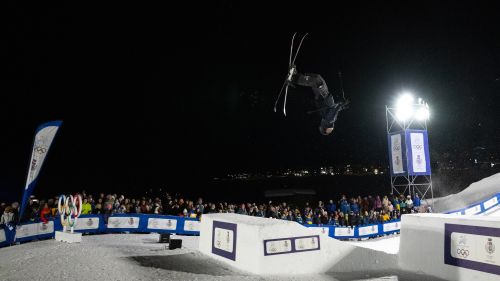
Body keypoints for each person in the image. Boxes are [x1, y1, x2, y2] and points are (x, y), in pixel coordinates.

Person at [286, 65, 350, 135]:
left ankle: (293, 78)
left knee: (317, 81)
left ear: (325, 127)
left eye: (329, 130)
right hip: (321, 97)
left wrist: (342, 105)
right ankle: (296, 76)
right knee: (316, 78)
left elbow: (334, 110)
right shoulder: (328, 120)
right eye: (330, 130)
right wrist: (344, 106)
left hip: (324, 96)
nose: (331, 129)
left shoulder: (330, 120)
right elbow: (334, 109)